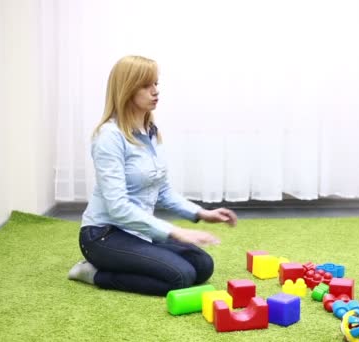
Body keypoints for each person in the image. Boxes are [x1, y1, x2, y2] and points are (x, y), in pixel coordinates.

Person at [67, 55, 238, 296]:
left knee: (202, 265)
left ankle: (138, 257)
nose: (155, 91)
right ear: (127, 89)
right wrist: (174, 232)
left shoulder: (150, 132)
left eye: (156, 84)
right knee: (181, 276)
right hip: (103, 235)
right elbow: (118, 208)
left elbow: (163, 190)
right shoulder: (109, 137)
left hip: (138, 231)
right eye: (146, 85)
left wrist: (202, 213)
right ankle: (93, 273)